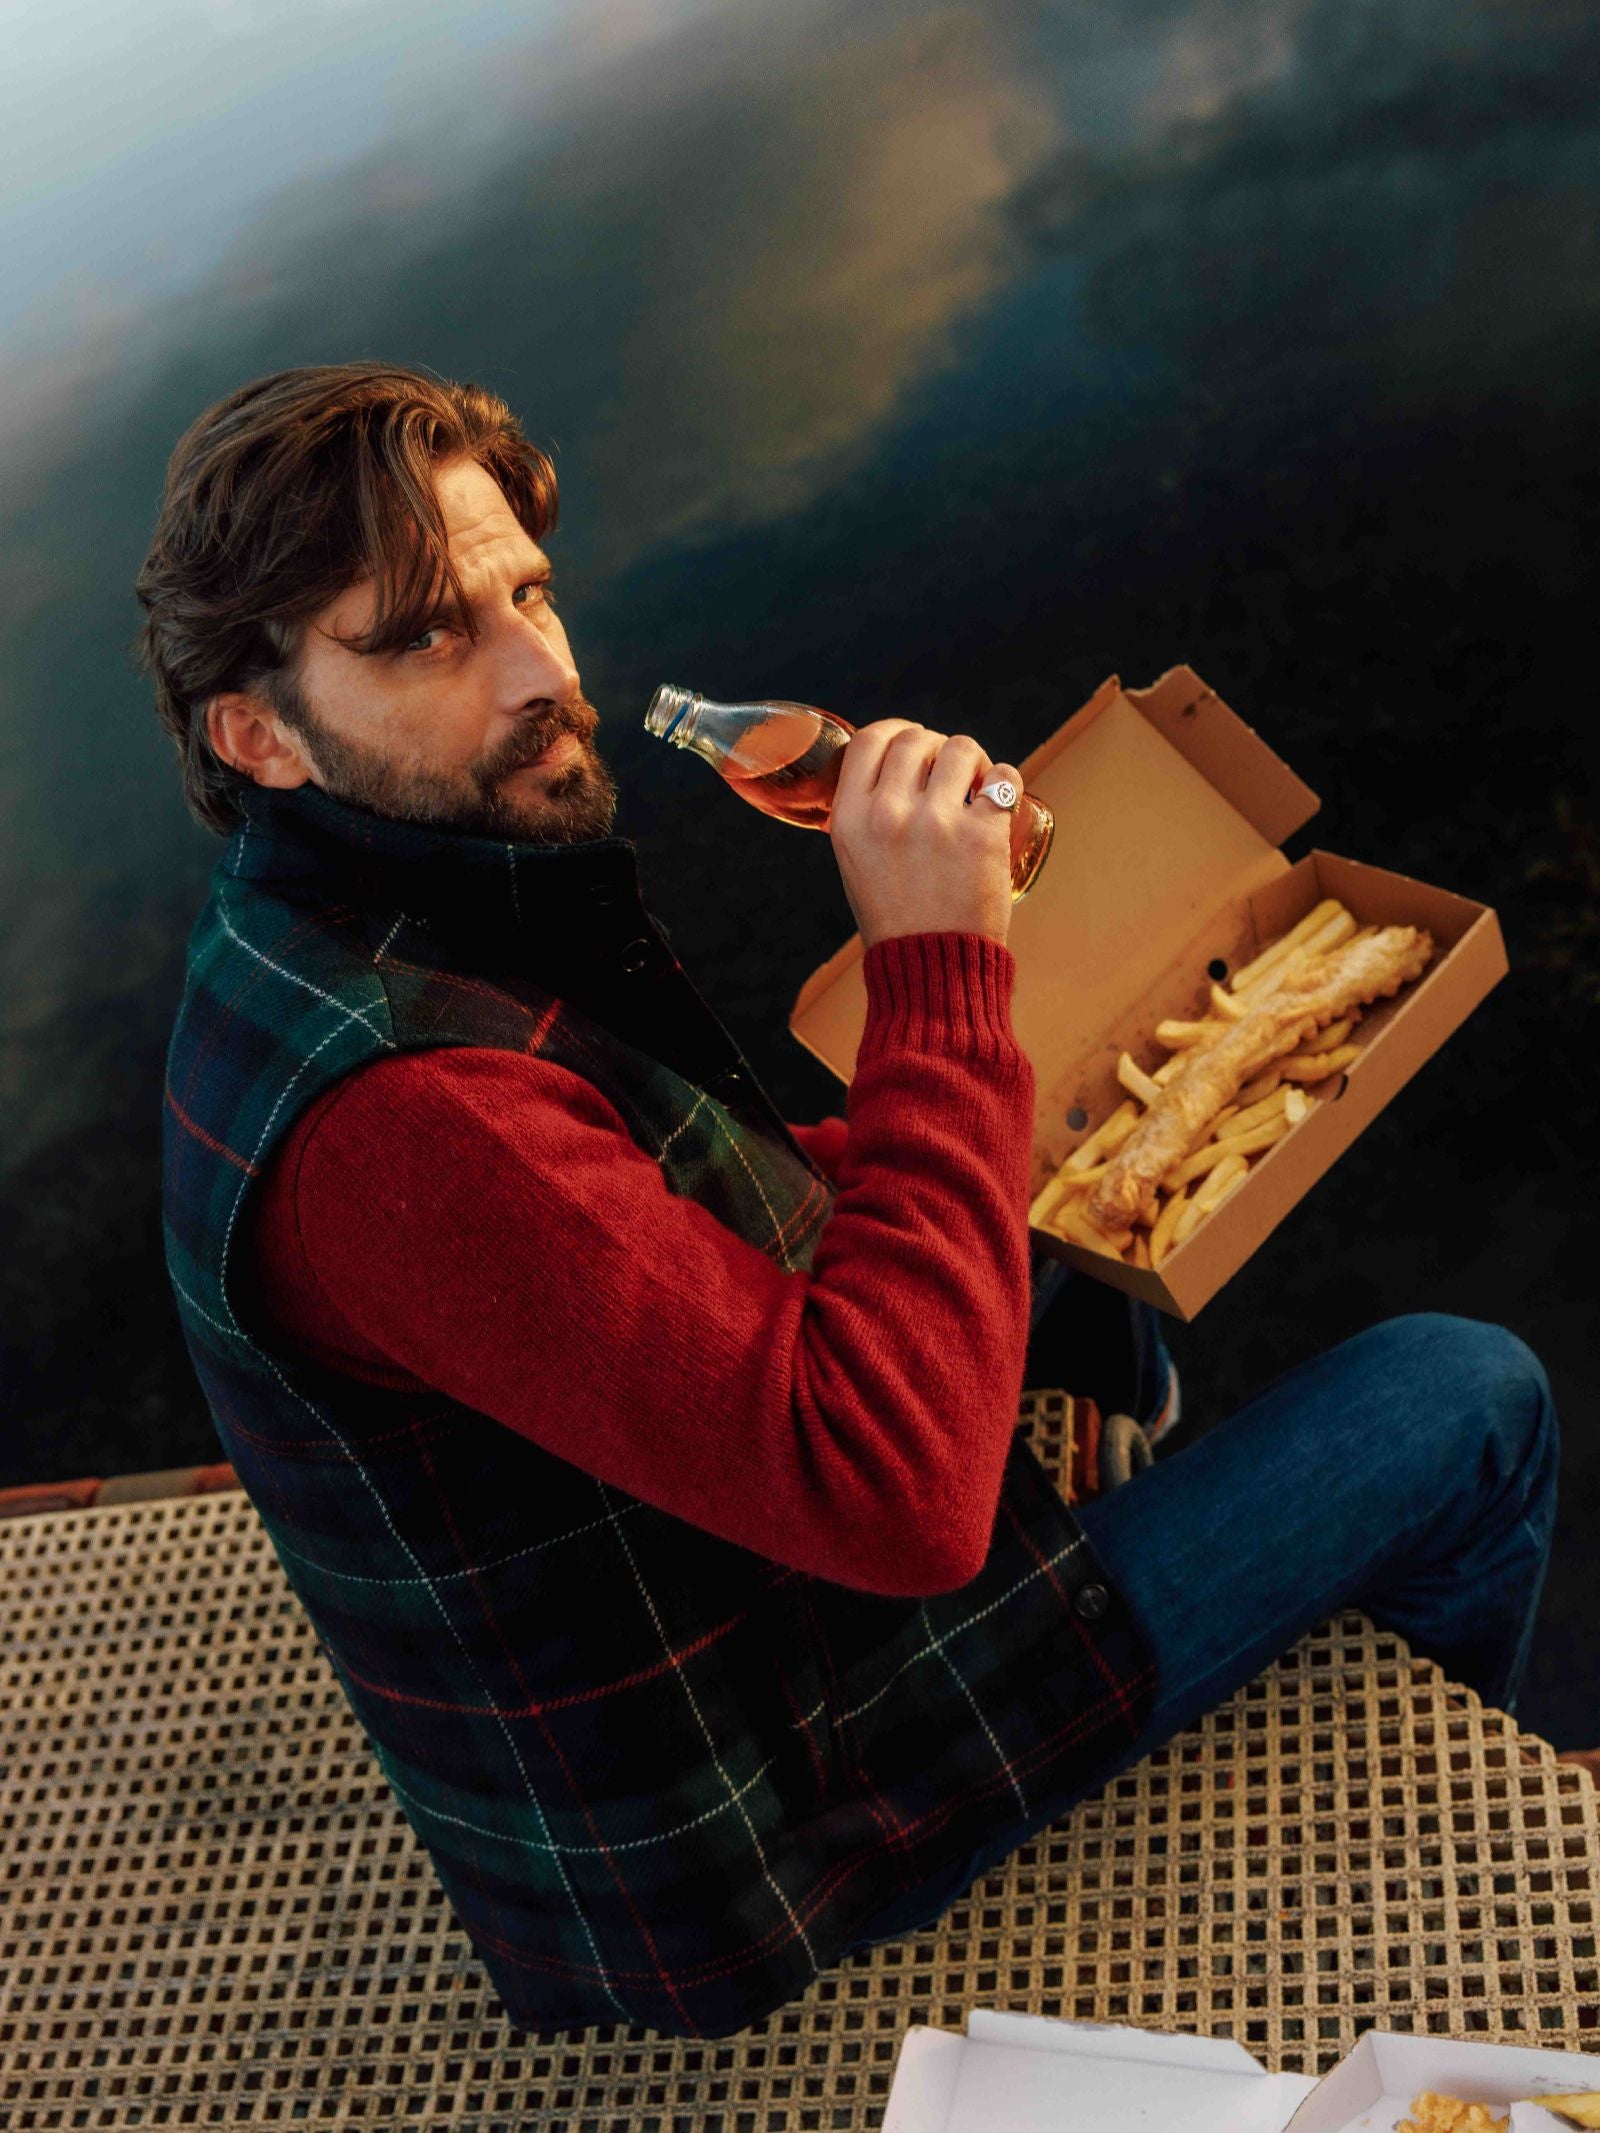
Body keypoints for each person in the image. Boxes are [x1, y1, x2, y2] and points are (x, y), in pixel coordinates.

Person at [139, 360, 1559, 2039]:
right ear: (256, 728)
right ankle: (1374, 1797)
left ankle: (1123, 1474)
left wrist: (928, 1081)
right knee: (1469, 1396)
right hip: (762, 1831)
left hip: (726, 1615)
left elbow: (625, 1210)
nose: (543, 671)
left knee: (1013, 1198)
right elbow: (901, 1508)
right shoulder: (404, 1132)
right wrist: (938, 962)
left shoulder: (328, 918)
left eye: (528, 589)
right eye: (428, 635)